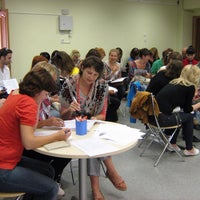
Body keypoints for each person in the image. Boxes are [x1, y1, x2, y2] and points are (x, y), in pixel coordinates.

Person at [60, 56, 127, 200]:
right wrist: (70, 109)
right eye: (89, 73)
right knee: (92, 143)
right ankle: (110, 173)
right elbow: (63, 116)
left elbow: (102, 115)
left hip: (92, 124)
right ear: (82, 68)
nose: (91, 77)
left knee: (91, 144)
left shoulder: (102, 86)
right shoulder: (69, 84)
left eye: (95, 75)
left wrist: (94, 119)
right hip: (72, 126)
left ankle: (96, 188)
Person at [0, 67, 71, 200]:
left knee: (48, 171)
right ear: (38, 91)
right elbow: (29, 143)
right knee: (51, 188)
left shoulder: (17, 95)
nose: (46, 97)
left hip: (7, 157)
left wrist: (37, 103)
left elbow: (30, 129)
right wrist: (57, 136)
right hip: (3, 167)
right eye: (45, 93)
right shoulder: (28, 103)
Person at [23, 61, 71, 196]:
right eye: (51, 82)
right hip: (25, 145)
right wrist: (47, 125)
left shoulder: (40, 97)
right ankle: (47, 184)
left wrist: (48, 122)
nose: (52, 87)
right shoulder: (29, 100)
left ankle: (50, 180)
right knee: (63, 150)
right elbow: (28, 134)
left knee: (65, 148)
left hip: (33, 137)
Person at [151, 65, 200, 156]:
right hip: (162, 119)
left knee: (180, 115)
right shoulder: (190, 87)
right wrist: (198, 104)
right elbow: (187, 109)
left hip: (153, 117)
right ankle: (189, 149)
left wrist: (192, 98)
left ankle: (172, 143)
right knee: (188, 117)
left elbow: (180, 103)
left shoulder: (175, 82)